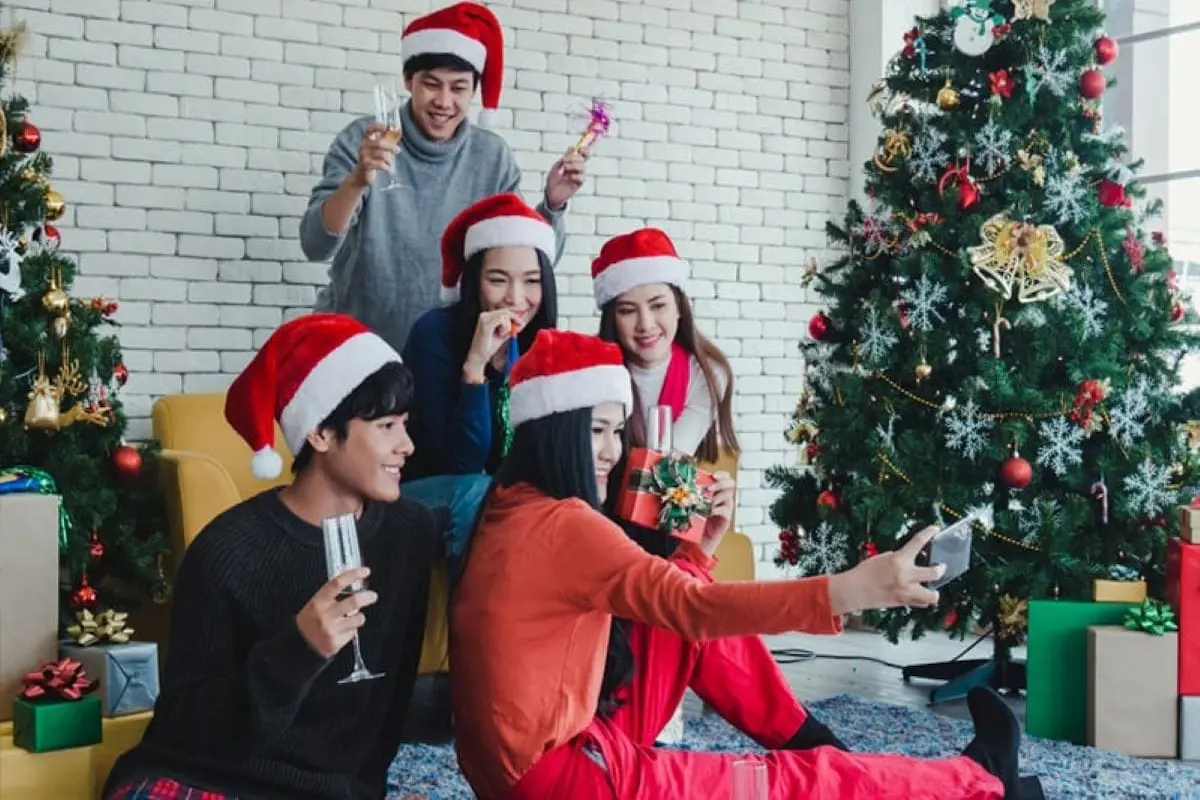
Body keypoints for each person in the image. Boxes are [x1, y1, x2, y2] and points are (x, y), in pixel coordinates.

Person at [449, 328, 1045, 800]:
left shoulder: (509, 505)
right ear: (553, 433)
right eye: (595, 431)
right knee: (783, 785)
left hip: (534, 760)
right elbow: (693, 610)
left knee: (687, 580)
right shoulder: (564, 526)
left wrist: (698, 550)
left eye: (615, 430)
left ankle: (818, 742)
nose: (612, 451)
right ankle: (980, 783)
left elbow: (670, 598)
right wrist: (850, 589)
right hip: (565, 777)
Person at [103, 314, 441, 800]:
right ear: (321, 434)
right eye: (386, 426)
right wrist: (299, 650)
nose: (406, 445)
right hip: (209, 775)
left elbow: (387, 703)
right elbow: (184, 729)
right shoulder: (228, 552)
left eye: (405, 424)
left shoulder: (410, 533)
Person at [300, 1, 587, 352]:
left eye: (459, 88)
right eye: (432, 84)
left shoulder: (492, 158)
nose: (444, 101)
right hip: (355, 346)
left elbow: (523, 264)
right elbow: (315, 244)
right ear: (409, 80)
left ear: (474, 90)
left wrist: (553, 205)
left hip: (447, 352)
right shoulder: (364, 142)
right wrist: (358, 180)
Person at [400, 192, 558, 569]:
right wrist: (475, 368)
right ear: (474, 282)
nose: (516, 298)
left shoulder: (534, 343)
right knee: (478, 490)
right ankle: (476, 609)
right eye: (498, 280)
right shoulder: (433, 333)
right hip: (420, 497)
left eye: (532, 281)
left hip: (491, 496)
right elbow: (461, 462)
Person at [593, 227, 735, 462]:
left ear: (680, 307)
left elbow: (665, 466)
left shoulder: (707, 374)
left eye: (658, 306)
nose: (645, 324)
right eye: (627, 311)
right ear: (612, 319)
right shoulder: (590, 374)